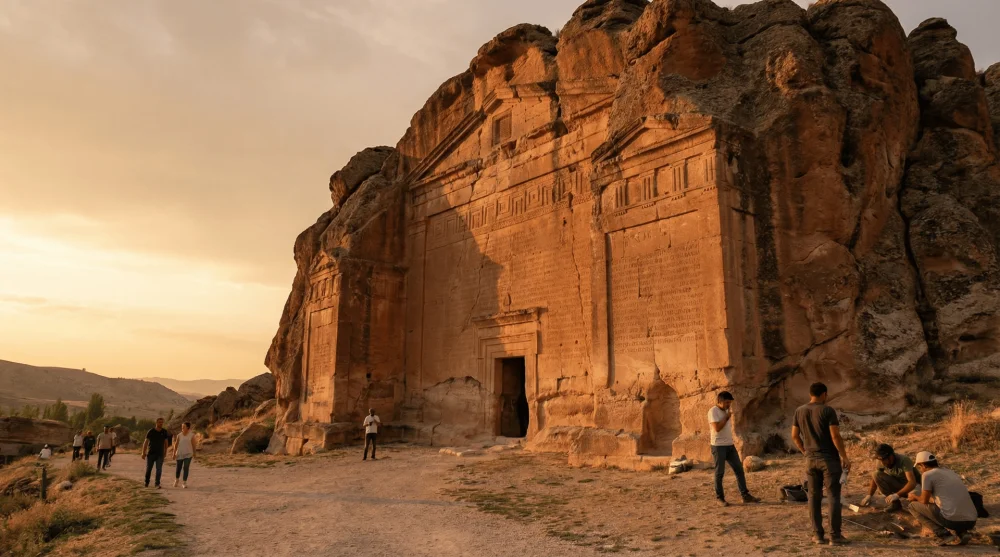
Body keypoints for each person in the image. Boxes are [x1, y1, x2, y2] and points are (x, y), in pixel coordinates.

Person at [791, 382, 851, 546]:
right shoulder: (827, 410)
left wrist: (804, 451)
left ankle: (817, 535)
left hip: (810, 460)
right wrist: (844, 456)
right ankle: (835, 536)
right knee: (833, 497)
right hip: (829, 460)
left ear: (811, 394)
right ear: (824, 394)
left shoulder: (799, 411)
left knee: (813, 497)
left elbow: (795, 436)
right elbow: (835, 436)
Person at [907, 452, 978, 546]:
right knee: (950, 506)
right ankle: (962, 533)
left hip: (952, 521)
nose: (920, 470)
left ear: (923, 465)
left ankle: (943, 534)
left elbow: (924, 500)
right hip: (971, 521)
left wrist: (914, 497)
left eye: (919, 467)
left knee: (912, 506)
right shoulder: (949, 472)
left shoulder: (927, 475)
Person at [707, 391, 760, 506]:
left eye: (729, 403)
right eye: (726, 402)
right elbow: (717, 428)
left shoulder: (726, 411)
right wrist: (726, 417)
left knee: (739, 470)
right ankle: (719, 498)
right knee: (719, 473)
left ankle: (745, 495)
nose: (728, 405)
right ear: (719, 401)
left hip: (729, 445)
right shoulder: (713, 411)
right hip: (718, 446)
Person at [860, 443, 919, 512]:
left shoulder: (904, 460)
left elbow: (912, 482)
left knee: (915, 504)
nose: (882, 462)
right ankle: (895, 504)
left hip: (914, 486)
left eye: (884, 459)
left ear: (891, 456)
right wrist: (869, 495)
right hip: (899, 484)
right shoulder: (881, 461)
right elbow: (875, 478)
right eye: (880, 460)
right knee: (876, 474)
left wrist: (897, 495)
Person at [141, 418, 172, 488]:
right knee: (149, 469)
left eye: (162, 422)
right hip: (151, 453)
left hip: (160, 454)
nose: (161, 423)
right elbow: (145, 442)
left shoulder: (164, 431)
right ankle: (146, 482)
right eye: (159, 422)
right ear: (156, 423)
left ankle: (157, 484)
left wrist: (165, 452)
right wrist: (143, 452)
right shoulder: (151, 431)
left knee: (159, 469)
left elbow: (166, 443)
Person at [172, 422, 197, 488]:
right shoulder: (179, 435)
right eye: (182, 427)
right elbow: (176, 445)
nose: (182, 428)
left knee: (186, 467)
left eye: (184, 427)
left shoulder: (191, 435)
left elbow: (194, 445)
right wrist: (174, 453)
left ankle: (184, 482)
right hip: (180, 453)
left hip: (188, 454)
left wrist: (194, 453)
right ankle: (177, 480)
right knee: (178, 468)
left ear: (188, 428)